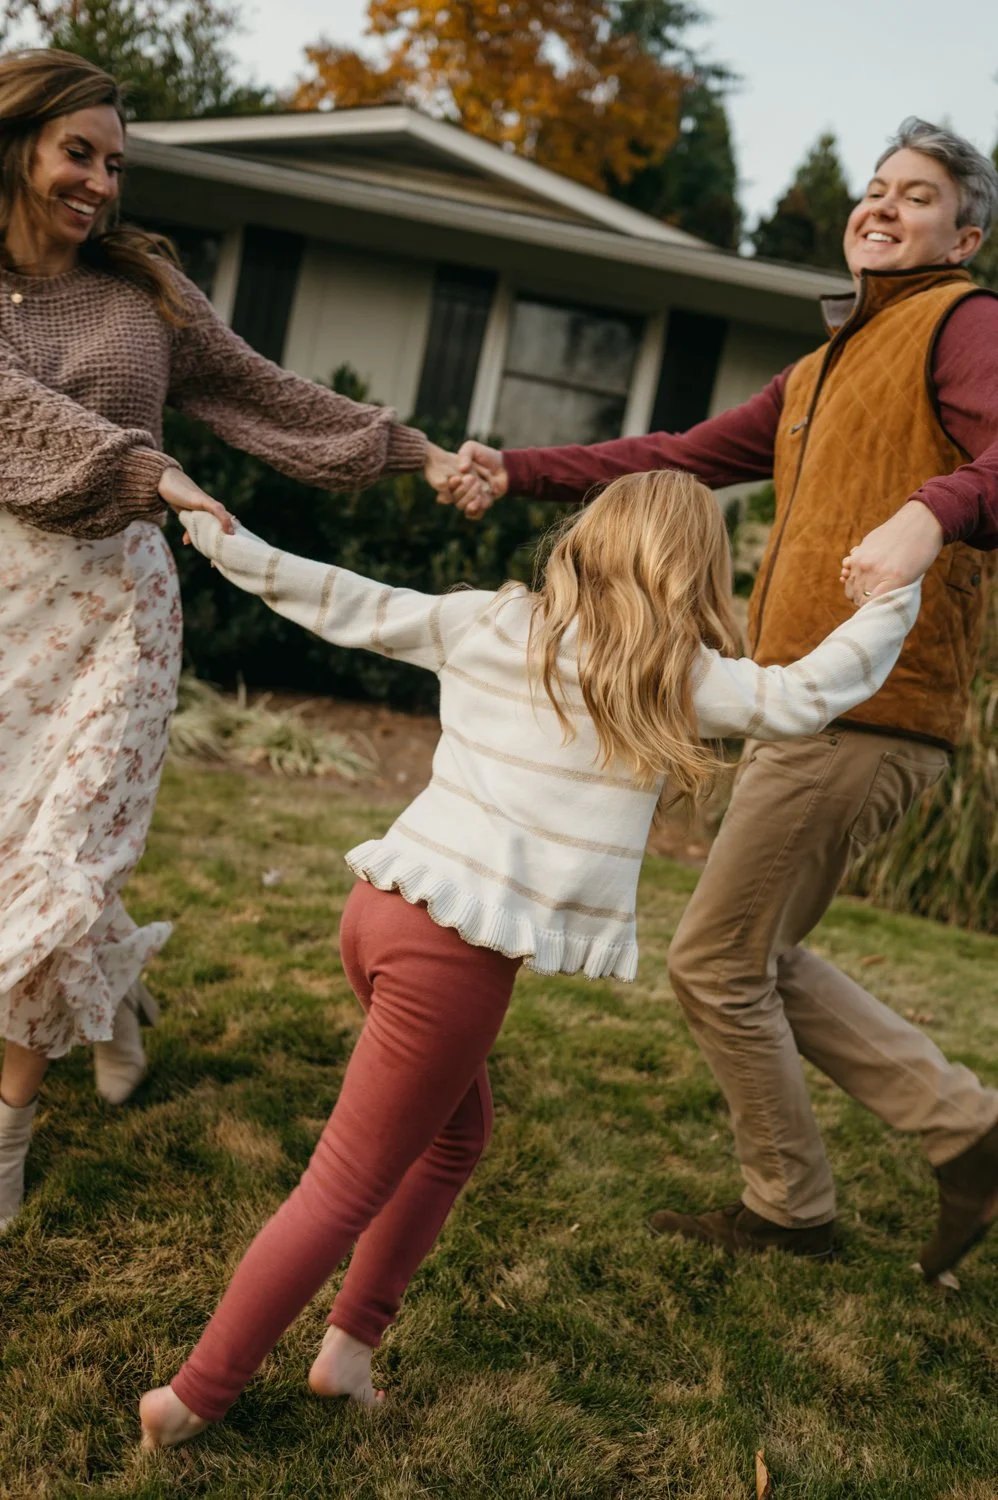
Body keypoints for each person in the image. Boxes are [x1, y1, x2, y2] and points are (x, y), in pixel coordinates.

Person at [138, 469, 919, 1448]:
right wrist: (896, 597)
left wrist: (226, 542)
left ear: (590, 538)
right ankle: (190, 1398)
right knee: (342, 1186)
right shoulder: (667, 674)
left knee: (456, 1140)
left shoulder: (492, 622)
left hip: (379, 909)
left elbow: (342, 600)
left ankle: (347, 1355)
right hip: (447, 959)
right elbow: (807, 694)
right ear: (690, 568)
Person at [446, 118, 998, 1281]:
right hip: (812, 706)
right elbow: (678, 456)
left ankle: (790, 1207)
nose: (882, 206)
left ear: (967, 233)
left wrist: (928, 511)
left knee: (713, 962)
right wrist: (518, 471)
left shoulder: (963, 324)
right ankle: (966, 1132)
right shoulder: (822, 368)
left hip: (868, 707)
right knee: (760, 954)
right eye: (872, 189)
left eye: (917, 195)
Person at [0, 49, 459, 1234]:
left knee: (67, 856)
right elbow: (13, 414)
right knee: (13, 855)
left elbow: (263, 392)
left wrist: (413, 452)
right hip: (8, 606)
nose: (101, 183)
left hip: (119, 614)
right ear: (17, 146)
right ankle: (120, 996)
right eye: (78, 154)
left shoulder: (139, 288)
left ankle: (5, 1131)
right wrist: (149, 466)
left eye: (116, 163)